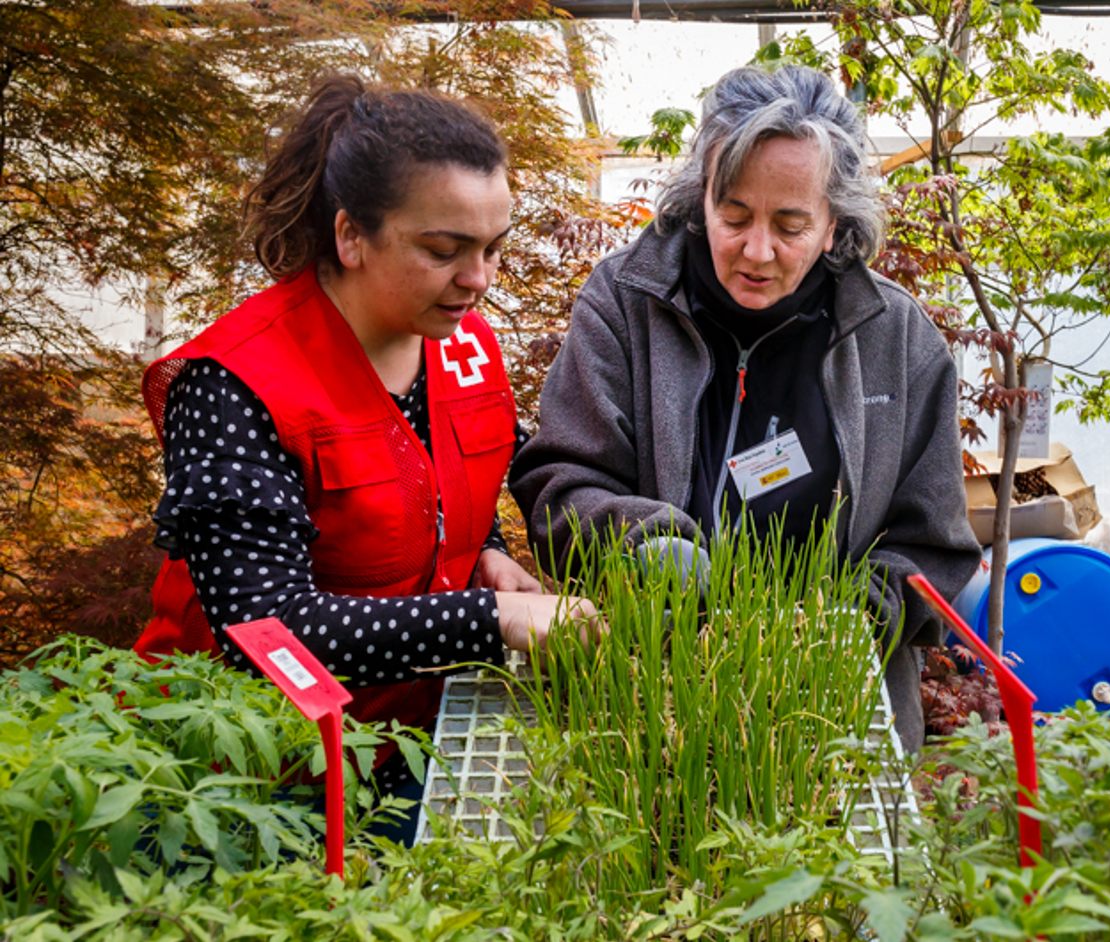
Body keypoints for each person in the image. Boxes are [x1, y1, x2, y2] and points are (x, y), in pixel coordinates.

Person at [135, 74, 592, 837]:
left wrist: (487, 549)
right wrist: (494, 619)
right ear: (351, 236)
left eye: (490, 249)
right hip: (243, 785)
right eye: (444, 249)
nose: (477, 281)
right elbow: (267, 637)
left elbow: (442, 480)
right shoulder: (236, 384)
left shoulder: (466, 348)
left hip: (402, 749)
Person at [510, 65, 981, 751]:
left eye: (790, 225)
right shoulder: (625, 303)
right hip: (651, 696)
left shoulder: (897, 340)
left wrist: (846, 623)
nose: (756, 251)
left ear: (834, 225)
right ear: (700, 195)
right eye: (734, 216)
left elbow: (932, 542)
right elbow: (559, 482)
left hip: (833, 712)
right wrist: (640, 542)